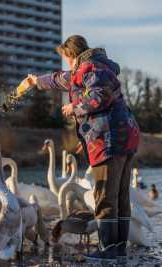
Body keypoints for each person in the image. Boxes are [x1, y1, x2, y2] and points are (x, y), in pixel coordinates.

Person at [20, 35, 140, 262]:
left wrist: (74, 107)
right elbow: (61, 79)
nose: (66, 64)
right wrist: (37, 81)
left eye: (65, 59)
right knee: (120, 196)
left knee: (105, 196)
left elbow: (99, 96)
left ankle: (108, 251)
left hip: (110, 140)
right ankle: (118, 249)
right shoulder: (91, 69)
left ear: (72, 55)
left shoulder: (91, 69)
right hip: (123, 138)